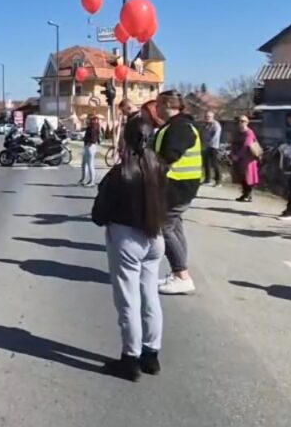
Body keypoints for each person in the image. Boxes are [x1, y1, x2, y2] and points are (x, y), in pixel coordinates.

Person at [91, 115, 167, 381]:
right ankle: (152, 354)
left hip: (126, 239)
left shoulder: (121, 173)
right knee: (150, 297)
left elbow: (98, 213)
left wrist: (111, 180)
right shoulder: (160, 167)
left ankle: (130, 359)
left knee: (128, 301)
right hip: (155, 237)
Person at [153, 91, 202, 296]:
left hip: (176, 186)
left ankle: (181, 275)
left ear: (166, 105)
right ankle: (178, 272)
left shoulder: (179, 127)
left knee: (164, 227)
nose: (155, 108)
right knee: (175, 226)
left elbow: (169, 156)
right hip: (181, 186)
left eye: (157, 104)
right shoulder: (180, 125)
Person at [230, 116, 261, 202]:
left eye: (243, 121)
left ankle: (248, 195)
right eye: (239, 121)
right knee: (242, 177)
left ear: (247, 122)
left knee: (248, 177)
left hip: (248, 159)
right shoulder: (237, 132)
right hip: (239, 158)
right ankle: (244, 194)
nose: (241, 123)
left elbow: (246, 145)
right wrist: (232, 154)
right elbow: (233, 143)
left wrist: (237, 156)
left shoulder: (249, 133)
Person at [199, 111, 222, 187]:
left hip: (213, 147)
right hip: (205, 146)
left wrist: (208, 144)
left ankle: (218, 180)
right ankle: (207, 179)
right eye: (206, 117)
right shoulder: (205, 125)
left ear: (213, 117)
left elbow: (215, 137)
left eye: (209, 117)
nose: (207, 118)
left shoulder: (216, 125)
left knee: (215, 164)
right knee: (206, 163)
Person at [81, 114, 103, 187]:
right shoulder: (93, 126)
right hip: (88, 146)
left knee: (90, 164)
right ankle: (84, 179)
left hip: (90, 146)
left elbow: (93, 138)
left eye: (87, 118)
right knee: (85, 163)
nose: (86, 120)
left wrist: (89, 142)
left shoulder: (93, 126)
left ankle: (92, 181)